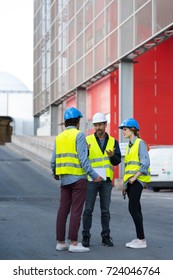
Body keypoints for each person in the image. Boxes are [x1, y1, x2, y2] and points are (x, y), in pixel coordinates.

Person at [51, 107, 102, 253]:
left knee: (63, 210)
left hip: (64, 179)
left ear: (66, 122)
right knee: (76, 211)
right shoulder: (79, 135)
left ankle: (61, 242)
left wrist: (55, 173)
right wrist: (94, 175)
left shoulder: (59, 137)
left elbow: (53, 160)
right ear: (77, 121)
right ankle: (73, 242)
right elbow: (83, 159)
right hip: (78, 179)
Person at [82, 112, 121, 247]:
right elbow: (83, 160)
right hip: (92, 180)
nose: (98, 127)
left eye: (100, 124)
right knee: (88, 209)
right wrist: (85, 152)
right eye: (96, 125)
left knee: (105, 211)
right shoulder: (87, 141)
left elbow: (116, 162)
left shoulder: (113, 141)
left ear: (105, 125)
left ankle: (106, 236)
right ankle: (86, 236)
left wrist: (112, 156)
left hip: (106, 181)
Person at [119, 118, 150, 249]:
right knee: (137, 208)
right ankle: (140, 238)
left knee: (133, 208)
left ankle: (141, 239)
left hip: (137, 180)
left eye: (125, 129)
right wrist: (125, 184)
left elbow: (145, 163)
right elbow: (128, 168)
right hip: (131, 182)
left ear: (132, 129)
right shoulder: (130, 146)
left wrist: (134, 178)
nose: (123, 132)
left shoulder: (140, 143)